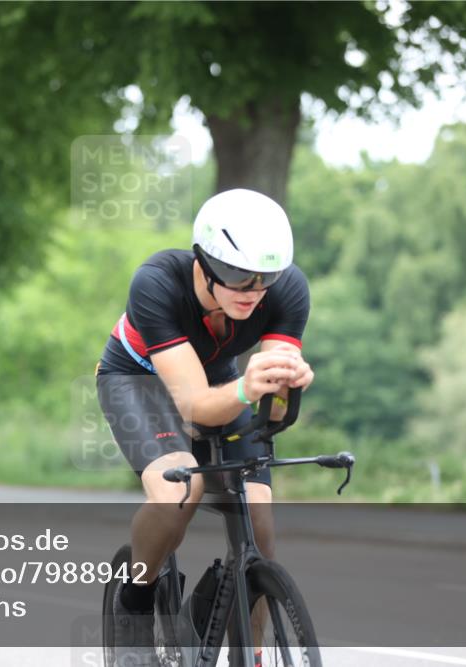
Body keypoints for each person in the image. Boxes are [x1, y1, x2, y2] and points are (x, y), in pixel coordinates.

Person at [96, 189, 314, 666]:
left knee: (259, 516)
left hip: (218, 383)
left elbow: (270, 418)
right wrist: (248, 389)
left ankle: (245, 648)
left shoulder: (288, 290)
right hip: (139, 384)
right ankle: (134, 598)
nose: (254, 291)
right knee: (181, 490)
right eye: (238, 276)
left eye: (266, 278)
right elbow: (195, 406)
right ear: (204, 262)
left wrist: (285, 388)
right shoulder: (156, 283)